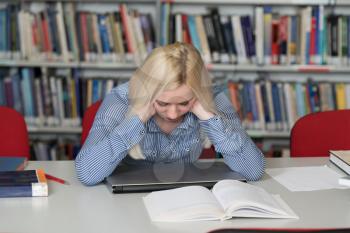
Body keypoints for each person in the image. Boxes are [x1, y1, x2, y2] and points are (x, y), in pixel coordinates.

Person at [75, 42, 265, 186]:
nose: (173, 114)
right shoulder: (121, 99)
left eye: (184, 102)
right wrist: (137, 120)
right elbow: (87, 173)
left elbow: (253, 171)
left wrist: (207, 115)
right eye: (163, 103)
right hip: (128, 198)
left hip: (186, 193)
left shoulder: (212, 98)